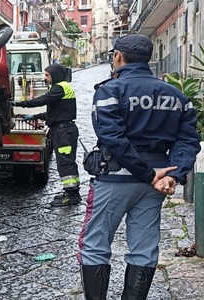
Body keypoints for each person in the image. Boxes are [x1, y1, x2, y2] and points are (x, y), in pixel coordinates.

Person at [78, 34, 201, 300]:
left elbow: (112, 137)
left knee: (95, 245)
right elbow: (189, 139)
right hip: (155, 185)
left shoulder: (110, 90)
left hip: (115, 180)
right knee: (144, 248)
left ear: (118, 56)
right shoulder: (177, 95)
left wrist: (146, 172)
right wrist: (175, 175)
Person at [12, 63, 80, 206]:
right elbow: (55, 113)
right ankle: (70, 191)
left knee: (65, 162)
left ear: (55, 75)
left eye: (47, 75)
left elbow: (42, 100)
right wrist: (34, 117)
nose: (45, 78)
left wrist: (19, 104)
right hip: (64, 129)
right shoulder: (62, 88)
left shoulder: (60, 87)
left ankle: (72, 195)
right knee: (66, 161)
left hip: (63, 132)